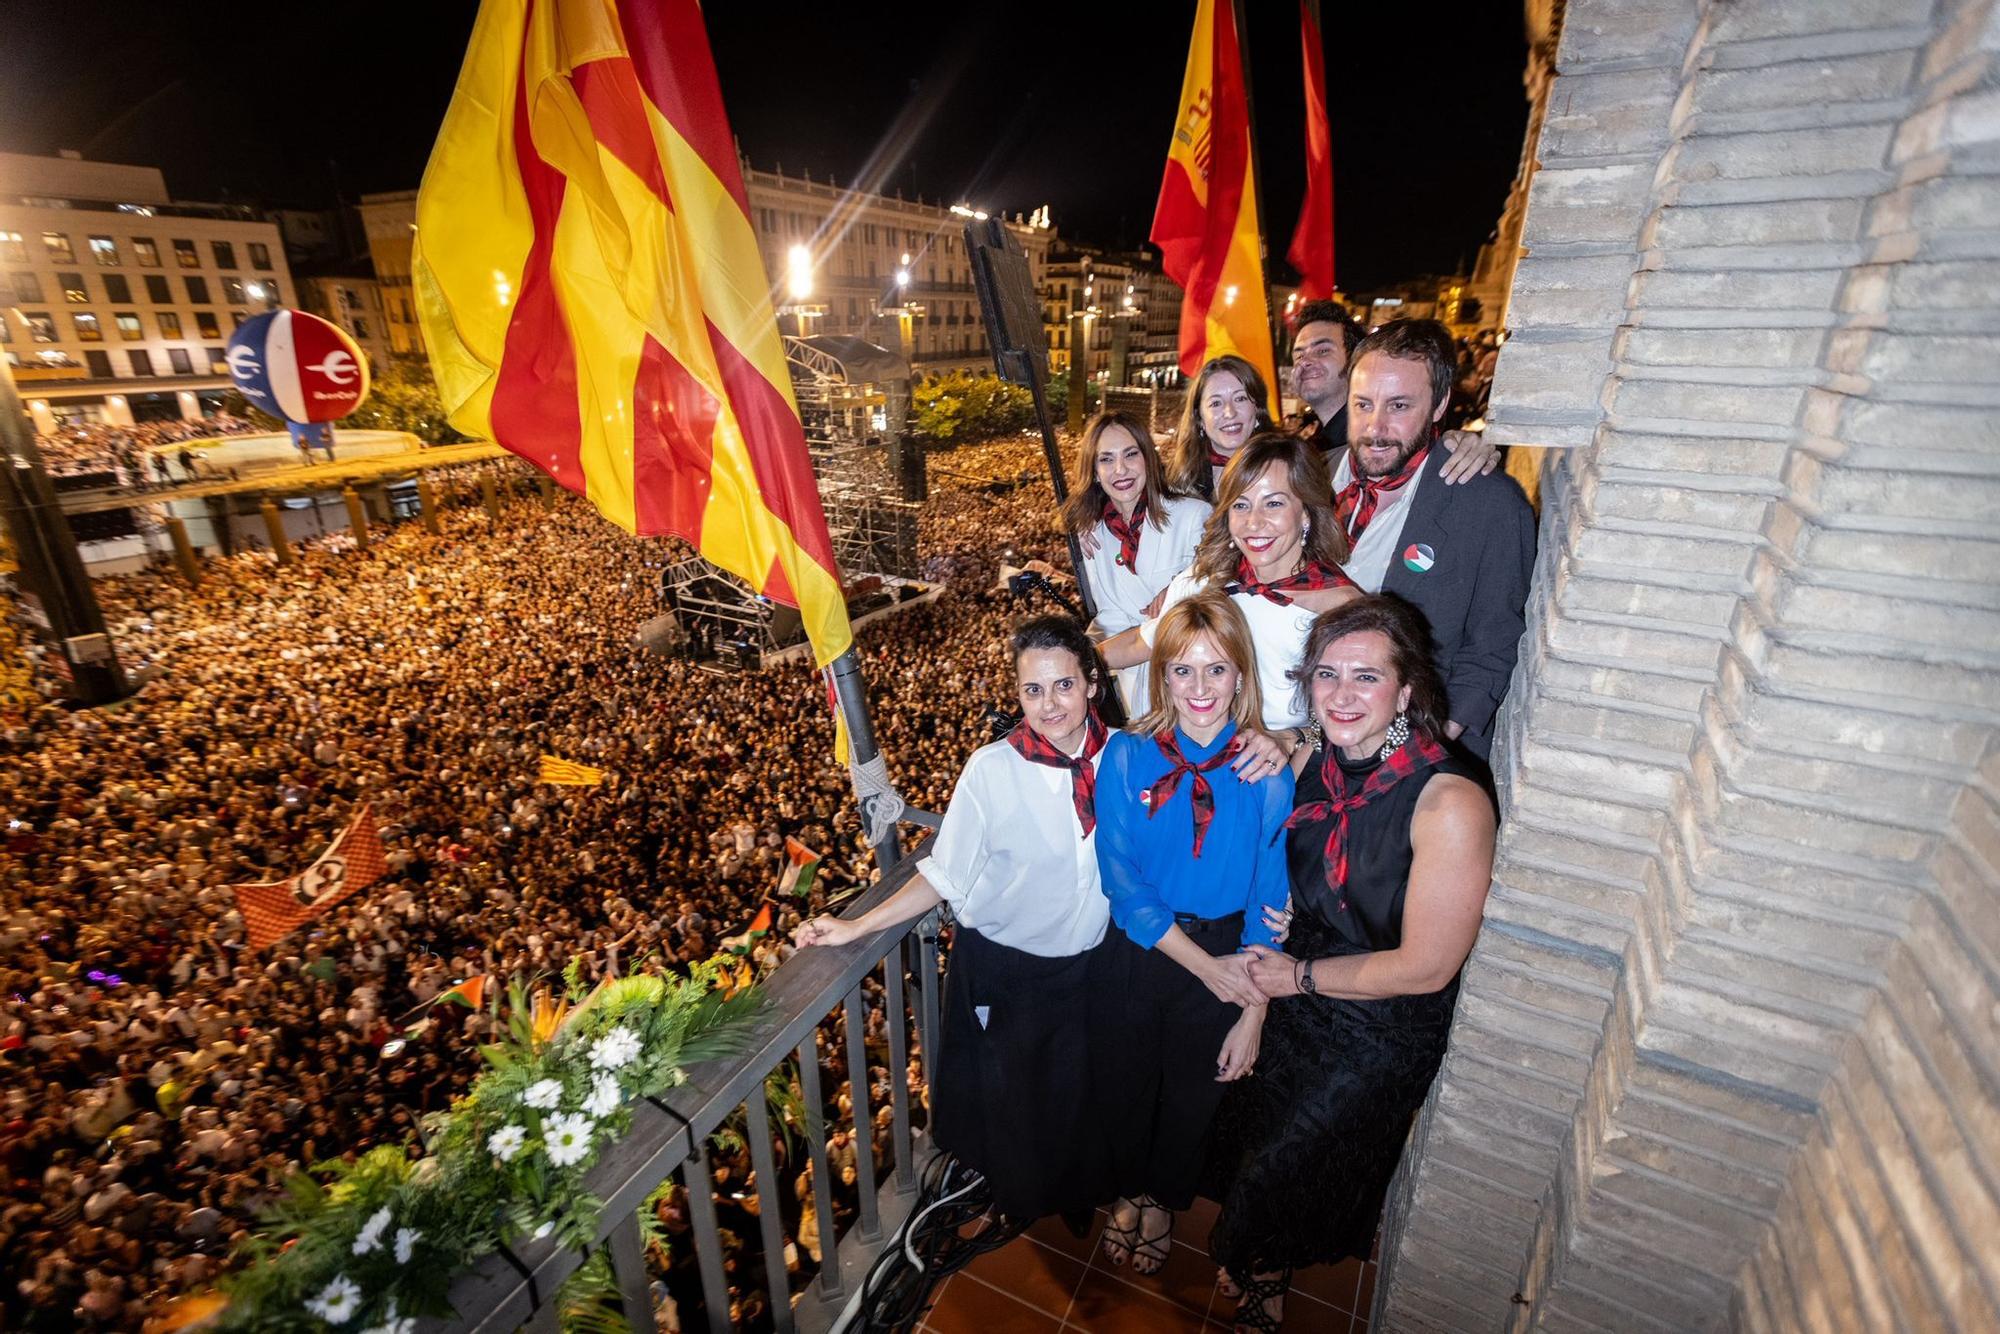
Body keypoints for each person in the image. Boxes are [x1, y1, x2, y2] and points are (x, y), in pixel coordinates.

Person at [1205, 596, 1497, 1332]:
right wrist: (1271, 981)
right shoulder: (1311, 758)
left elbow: (1427, 968)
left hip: (1380, 1021)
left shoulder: (1449, 802)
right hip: (1297, 982)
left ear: (1405, 693)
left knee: (1293, 1162)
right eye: (1327, 674)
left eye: (1366, 678)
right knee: (1255, 1138)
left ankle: (1262, 1264)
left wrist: (1291, 980)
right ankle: (1262, 1264)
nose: (1341, 694)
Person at [794, 615, 1113, 1223]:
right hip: (1006, 971)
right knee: (1012, 1101)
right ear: (1017, 694)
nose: (1049, 704)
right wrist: (858, 926)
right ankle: (1016, 1201)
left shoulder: (1126, 759)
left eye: (1064, 685)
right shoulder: (991, 770)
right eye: (1032, 690)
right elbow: (946, 874)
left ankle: (1076, 1197)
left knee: (1075, 1097)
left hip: (1090, 969)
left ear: (1092, 683)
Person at [1090, 592, 1292, 1279]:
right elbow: (1123, 886)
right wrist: (1209, 971)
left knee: (1191, 1098)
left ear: (1241, 674)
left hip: (1231, 951)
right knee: (1127, 1085)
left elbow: (1271, 899)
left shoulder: (1266, 772)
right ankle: (1129, 1188)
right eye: (1181, 670)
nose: (1199, 688)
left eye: (1216, 669)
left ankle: (1165, 1202)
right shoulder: (1123, 756)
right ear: (1160, 677)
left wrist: (1255, 1010)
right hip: (1144, 952)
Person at [1333, 318, 1536, 761]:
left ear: (1440, 403)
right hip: (1308, 741)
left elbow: (1494, 644)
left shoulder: (1491, 506)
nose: (1376, 426)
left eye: (1400, 406)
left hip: (1412, 749)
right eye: (1363, 404)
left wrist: (1427, 748)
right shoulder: (1308, 478)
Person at [1100, 433, 1358, 765]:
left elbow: (1362, 712)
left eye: (1274, 503)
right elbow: (1143, 641)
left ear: (1306, 513)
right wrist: (1077, 664)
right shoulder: (1206, 579)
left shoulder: (1342, 608)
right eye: (1241, 505)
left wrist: (1293, 742)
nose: (1254, 522)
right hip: (1203, 757)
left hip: (1294, 767)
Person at [1060, 411, 1209, 717]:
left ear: (1148, 458)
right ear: (1093, 470)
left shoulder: (1194, 516)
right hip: (1135, 696)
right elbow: (1108, 617)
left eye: (1131, 454)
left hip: (1195, 686)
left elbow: (1209, 610)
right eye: (1106, 459)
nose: (1120, 469)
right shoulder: (1093, 535)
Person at [1288, 300, 1501, 481]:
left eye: (1322, 350)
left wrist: (1464, 447)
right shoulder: (1317, 442)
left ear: (1357, 360)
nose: (1305, 361)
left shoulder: (1395, 449)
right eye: (1299, 354)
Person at [1166, 355, 1277, 503]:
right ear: (1199, 418)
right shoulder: (1177, 481)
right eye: (1216, 403)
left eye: (1240, 399)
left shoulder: (1286, 468)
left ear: (1257, 408)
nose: (1230, 413)